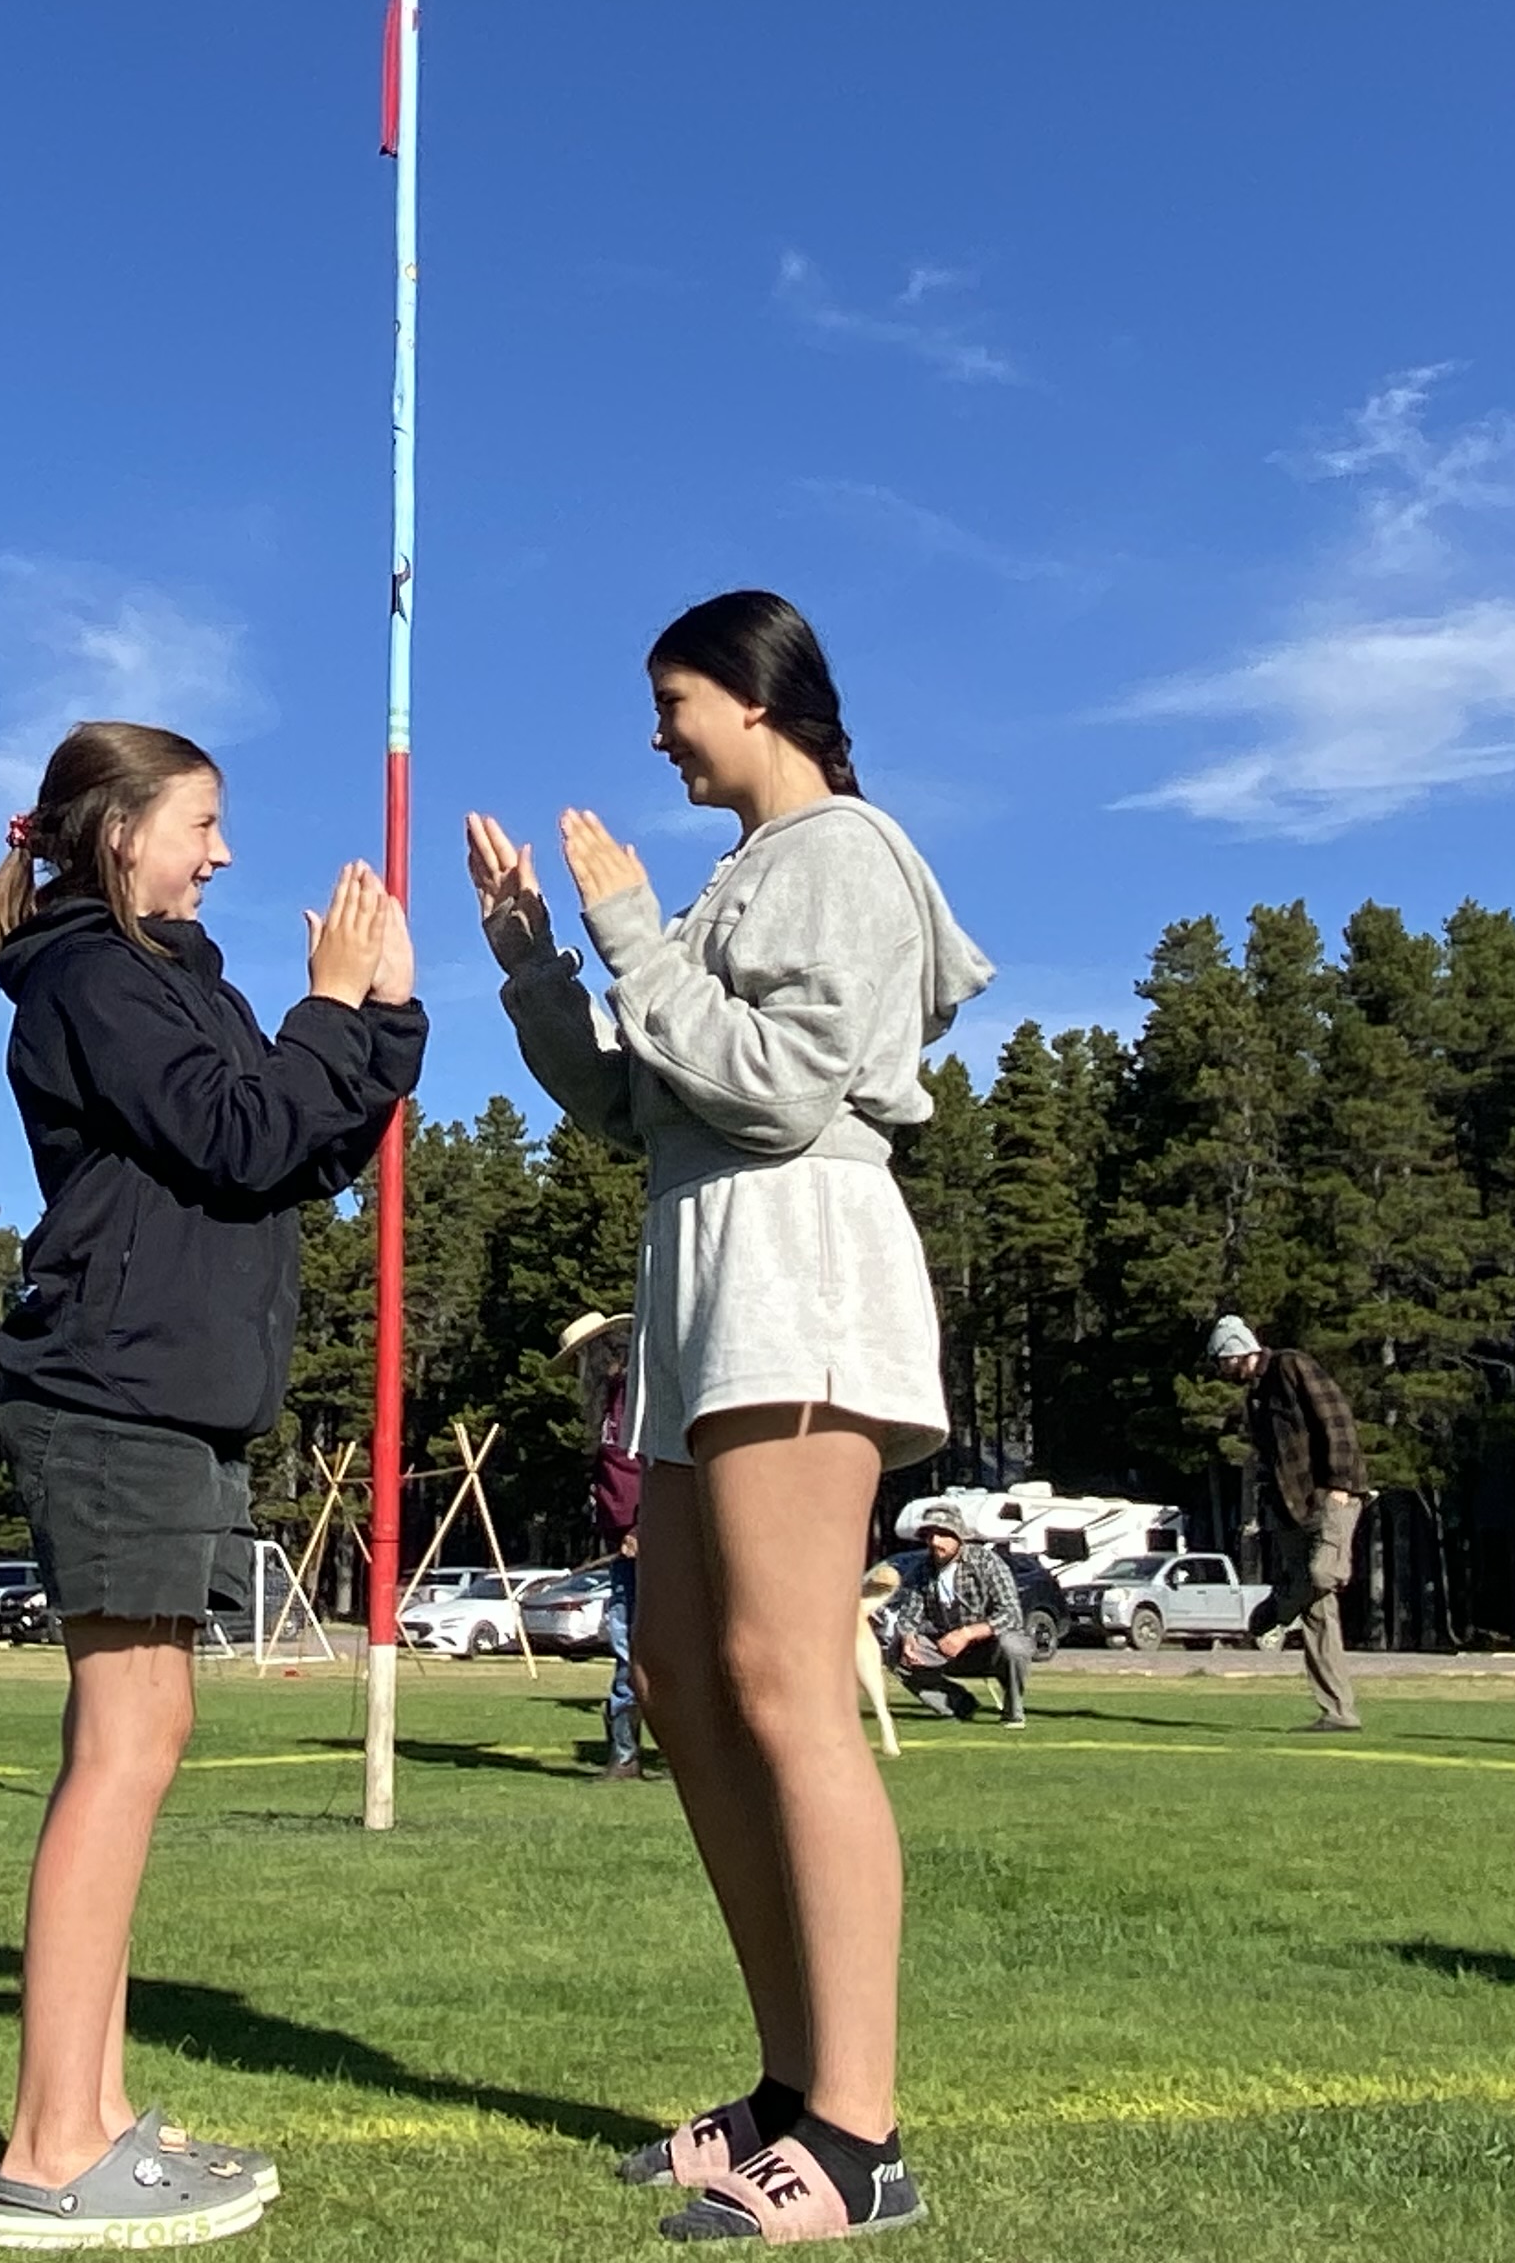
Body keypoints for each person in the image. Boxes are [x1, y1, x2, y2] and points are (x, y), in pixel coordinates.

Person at [477, 588, 989, 2244]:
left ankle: (859, 2128)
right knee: (687, 1683)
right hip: (704, 1278)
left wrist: (628, 932)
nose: (654, 732)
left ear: (756, 696)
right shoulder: (734, 880)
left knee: (782, 1681)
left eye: (672, 698)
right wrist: (540, 960)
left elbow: (774, 1090)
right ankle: (787, 2084)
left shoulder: (844, 848)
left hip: (796, 1263)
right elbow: (641, 1096)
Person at [0, 721, 420, 2250]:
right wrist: (325, 1004)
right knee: (124, 1747)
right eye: (202, 823)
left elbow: (303, 1149)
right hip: (108, 1392)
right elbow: (241, 1132)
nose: (223, 852)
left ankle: (91, 2120)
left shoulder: (185, 978)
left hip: (168, 1398)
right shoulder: (94, 977)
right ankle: (52, 2147)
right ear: (120, 832)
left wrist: (386, 1009)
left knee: (141, 1736)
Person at [1208, 1315, 1367, 1733]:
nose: (1220, 1370)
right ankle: (1338, 1712)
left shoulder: (1292, 1366)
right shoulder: (1255, 1397)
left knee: (1323, 1573)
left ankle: (1276, 1609)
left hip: (1331, 1497)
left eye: (1221, 1361)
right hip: (1291, 1509)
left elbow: (1337, 1420)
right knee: (1318, 1613)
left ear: (1236, 1351)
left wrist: (1340, 1484)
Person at [559, 1308, 648, 1778]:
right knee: (624, 1637)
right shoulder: (612, 1399)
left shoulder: (642, 1397)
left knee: (637, 1639)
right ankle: (624, 1751)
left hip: (649, 1539)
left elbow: (656, 1466)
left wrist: (643, 1527)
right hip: (622, 1541)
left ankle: (631, 1751)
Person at [892, 1506, 1029, 1728]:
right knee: (895, 1649)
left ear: (959, 1536)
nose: (935, 1541)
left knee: (1014, 1645)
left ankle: (1013, 1711)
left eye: (943, 1534)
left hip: (990, 1649)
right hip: (944, 1649)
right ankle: (957, 1704)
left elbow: (1011, 1614)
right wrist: (907, 1639)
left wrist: (966, 1634)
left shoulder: (986, 1562)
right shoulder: (921, 1570)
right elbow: (908, 1618)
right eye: (930, 1535)